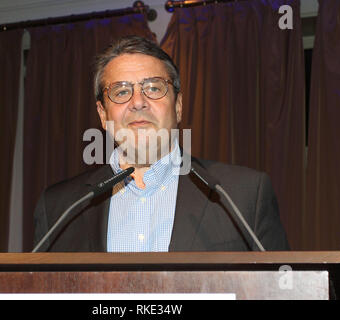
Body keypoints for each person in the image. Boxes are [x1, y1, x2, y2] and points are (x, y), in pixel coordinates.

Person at [33, 35, 289, 252]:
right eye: (121, 91)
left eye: (153, 88)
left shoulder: (242, 195)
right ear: (102, 114)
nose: (137, 102)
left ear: (178, 107)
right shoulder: (59, 207)